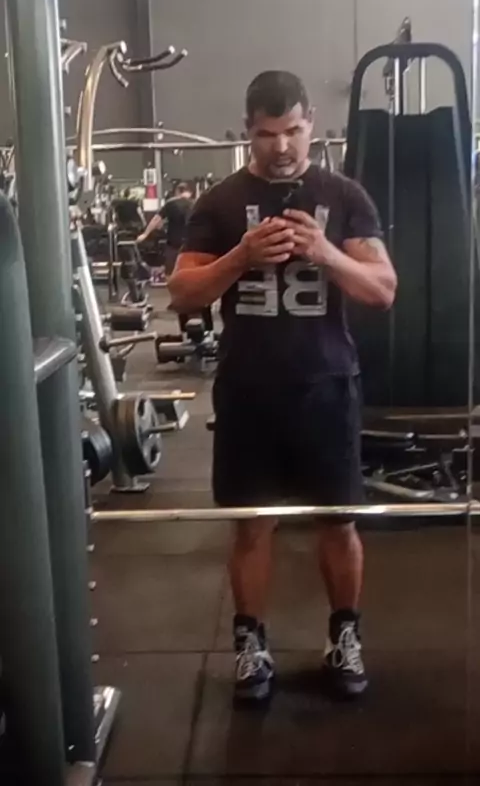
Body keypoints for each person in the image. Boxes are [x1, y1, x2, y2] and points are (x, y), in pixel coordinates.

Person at [168, 71, 397, 702]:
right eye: (267, 134)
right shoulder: (218, 204)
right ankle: (251, 646)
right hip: (248, 391)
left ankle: (345, 637)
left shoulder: (343, 196)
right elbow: (182, 294)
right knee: (252, 527)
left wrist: (326, 253)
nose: (282, 146)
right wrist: (240, 257)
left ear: (311, 123)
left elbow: (383, 289)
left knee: (338, 524)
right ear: (248, 131)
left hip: (327, 386)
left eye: (293, 130)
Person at [138, 181, 194, 275]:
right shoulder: (195, 204)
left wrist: (145, 234)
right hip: (190, 245)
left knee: (170, 272)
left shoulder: (171, 203)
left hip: (173, 244)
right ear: (190, 192)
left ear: (177, 191)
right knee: (188, 273)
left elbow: (156, 219)